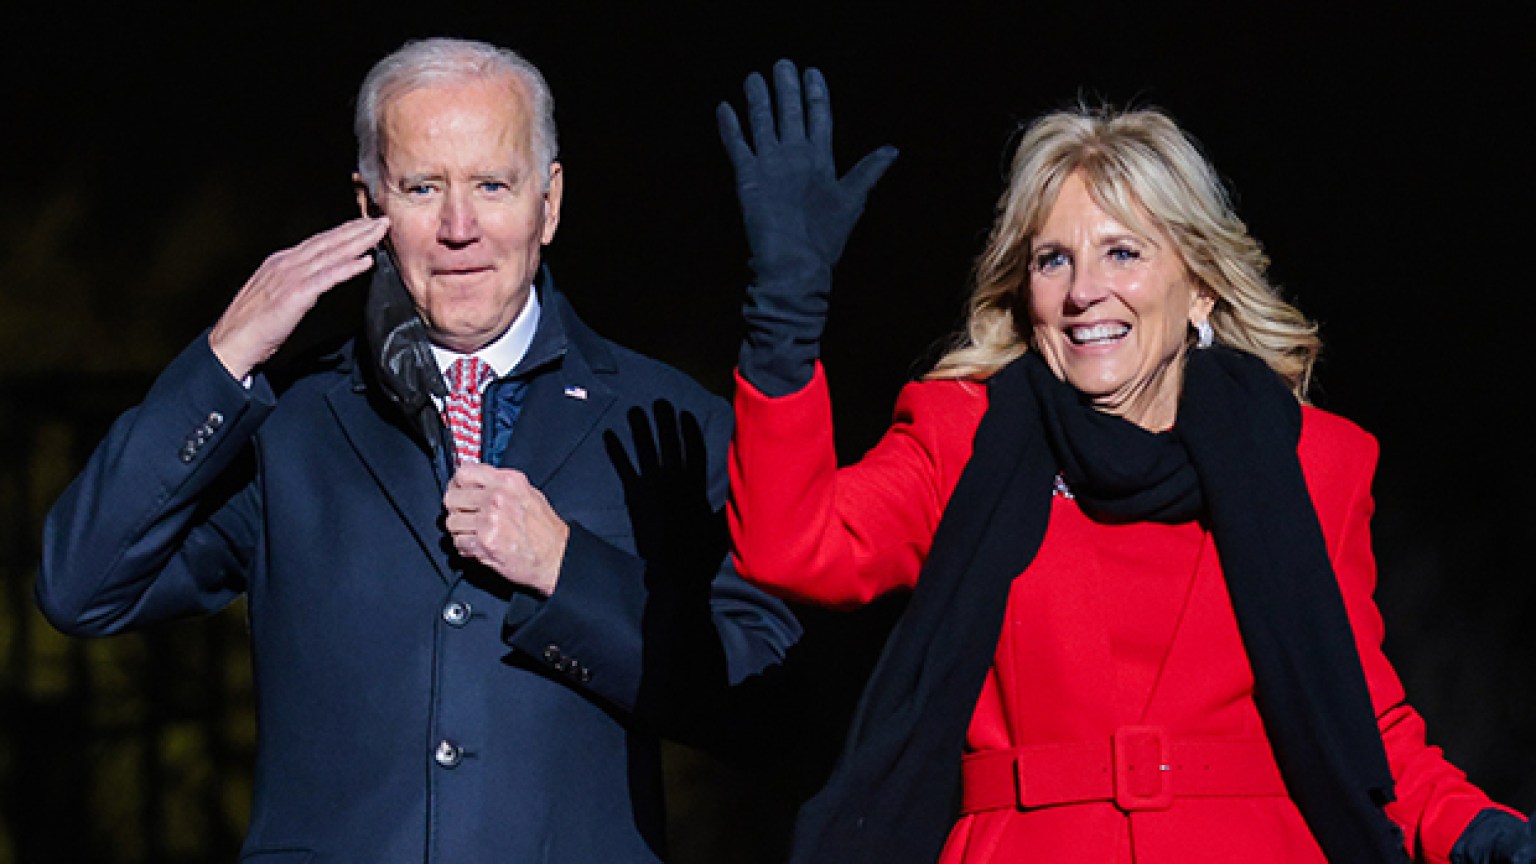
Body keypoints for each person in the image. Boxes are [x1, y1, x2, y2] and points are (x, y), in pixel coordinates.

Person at [716, 59, 1534, 863]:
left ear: (1200, 286)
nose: (1083, 291)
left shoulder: (1308, 462)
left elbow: (1359, 719)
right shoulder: (963, 437)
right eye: (1053, 259)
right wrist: (784, 323)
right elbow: (793, 546)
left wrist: (1476, 828)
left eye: (1123, 253)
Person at [38, 37, 800, 863]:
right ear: (370, 207)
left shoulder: (671, 419)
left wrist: (567, 571)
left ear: (549, 203)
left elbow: (765, 706)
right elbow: (82, 588)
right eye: (424, 187)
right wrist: (225, 355)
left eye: (492, 186)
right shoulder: (291, 419)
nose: (459, 229)